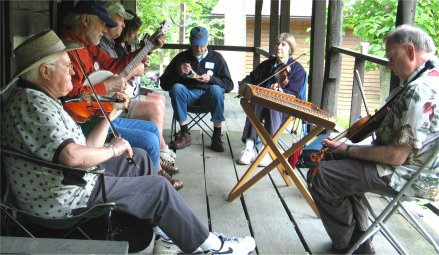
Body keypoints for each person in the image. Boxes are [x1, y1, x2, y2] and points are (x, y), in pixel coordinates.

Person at [1, 29, 256, 255]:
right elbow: (73, 157)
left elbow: (84, 148)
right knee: (158, 187)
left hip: (67, 180)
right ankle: (213, 246)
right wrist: (111, 148)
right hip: (63, 199)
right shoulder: (33, 106)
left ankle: (164, 231)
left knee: (139, 156)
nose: (73, 72)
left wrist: (111, 114)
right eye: (67, 66)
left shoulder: (39, 98)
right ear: (44, 72)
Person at [307, 25, 438, 254]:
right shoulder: (432, 75)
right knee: (333, 163)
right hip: (421, 170)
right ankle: (359, 240)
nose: (389, 64)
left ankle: (348, 245)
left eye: (391, 57)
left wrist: (348, 150)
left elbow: (395, 156)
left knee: (321, 175)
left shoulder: (421, 91)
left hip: (408, 176)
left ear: (410, 51)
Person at [61, 0, 181, 189]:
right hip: (85, 121)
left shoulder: (86, 46)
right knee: (150, 138)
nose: (105, 29)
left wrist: (146, 48)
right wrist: (106, 85)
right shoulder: (70, 51)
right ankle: (150, 187)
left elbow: (115, 66)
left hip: (98, 113)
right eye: (102, 23)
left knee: (152, 130)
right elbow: (74, 98)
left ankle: (152, 178)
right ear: (85, 20)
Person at [98, 1, 182, 187]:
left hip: (112, 104)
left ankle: (157, 164)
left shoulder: (109, 46)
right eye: (119, 21)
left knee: (158, 106)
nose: (121, 26)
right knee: (155, 111)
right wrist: (134, 71)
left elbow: (119, 70)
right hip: (108, 108)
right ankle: (155, 175)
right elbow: (118, 74)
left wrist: (148, 50)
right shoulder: (101, 47)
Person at [160, 26, 234, 152]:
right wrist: (179, 72)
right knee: (177, 88)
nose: (199, 49)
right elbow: (164, 84)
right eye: (195, 46)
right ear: (190, 43)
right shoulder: (181, 57)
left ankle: (216, 135)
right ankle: (184, 133)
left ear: (207, 42)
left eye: (202, 45)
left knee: (217, 90)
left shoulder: (217, 58)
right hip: (187, 96)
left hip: (209, 97)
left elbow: (229, 85)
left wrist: (211, 79)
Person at [238, 33, 306, 166]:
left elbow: (295, 93)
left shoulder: (297, 69)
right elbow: (251, 78)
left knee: (272, 106)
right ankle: (249, 148)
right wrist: (244, 85)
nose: (278, 47)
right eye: (277, 44)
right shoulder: (267, 65)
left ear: (290, 48)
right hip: (262, 103)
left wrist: (282, 91)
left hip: (284, 107)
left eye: (283, 44)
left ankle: (266, 150)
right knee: (256, 102)